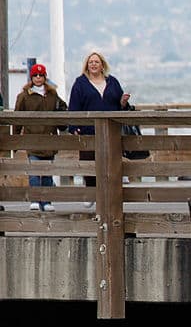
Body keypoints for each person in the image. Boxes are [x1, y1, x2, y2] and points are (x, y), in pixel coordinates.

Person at [68, 51, 131, 207]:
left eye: (96, 62)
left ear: (102, 65)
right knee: (90, 163)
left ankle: (111, 197)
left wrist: (123, 102)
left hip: (111, 131)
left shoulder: (113, 82)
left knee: (111, 164)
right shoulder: (80, 83)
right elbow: (74, 107)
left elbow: (121, 107)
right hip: (89, 131)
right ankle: (91, 193)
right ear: (87, 66)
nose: (94, 64)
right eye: (91, 62)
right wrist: (74, 126)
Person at [14, 64, 67, 211]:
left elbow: (63, 108)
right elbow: (17, 118)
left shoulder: (52, 94)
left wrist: (61, 120)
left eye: (41, 75)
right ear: (31, 78)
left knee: (48, 172)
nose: (38, 78)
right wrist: (16, 138)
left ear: (45, 77)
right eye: (35, 76)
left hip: (49, 139)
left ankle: (47, 201)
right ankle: (35, 199)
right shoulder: (24, 96)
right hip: (32, 139)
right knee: (35, 172)